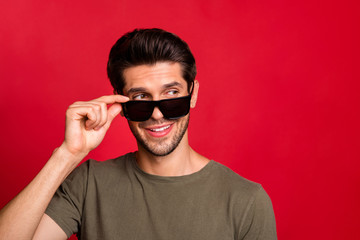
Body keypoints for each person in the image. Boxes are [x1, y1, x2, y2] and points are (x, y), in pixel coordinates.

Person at [0, 28, 277, 240]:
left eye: (172, 95)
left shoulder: (246, 201)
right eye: (141, 97)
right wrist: (67, 155)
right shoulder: (87, 185)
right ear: (121, 103)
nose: (158, 114)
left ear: (193, 95)